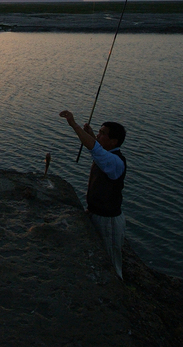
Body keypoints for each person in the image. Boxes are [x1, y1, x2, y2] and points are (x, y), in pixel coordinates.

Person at [59, 111, 127, 279]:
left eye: (102, 133)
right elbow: (96, 148)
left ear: (114, 141)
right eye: (98, 131)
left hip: (108, 219)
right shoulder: (108, 155)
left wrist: (74, 125)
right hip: (96, 214)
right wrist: (89, 134)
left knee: (111, 262)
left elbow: (95, 149)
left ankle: (117, 292)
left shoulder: (115, 161)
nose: (98, 135)